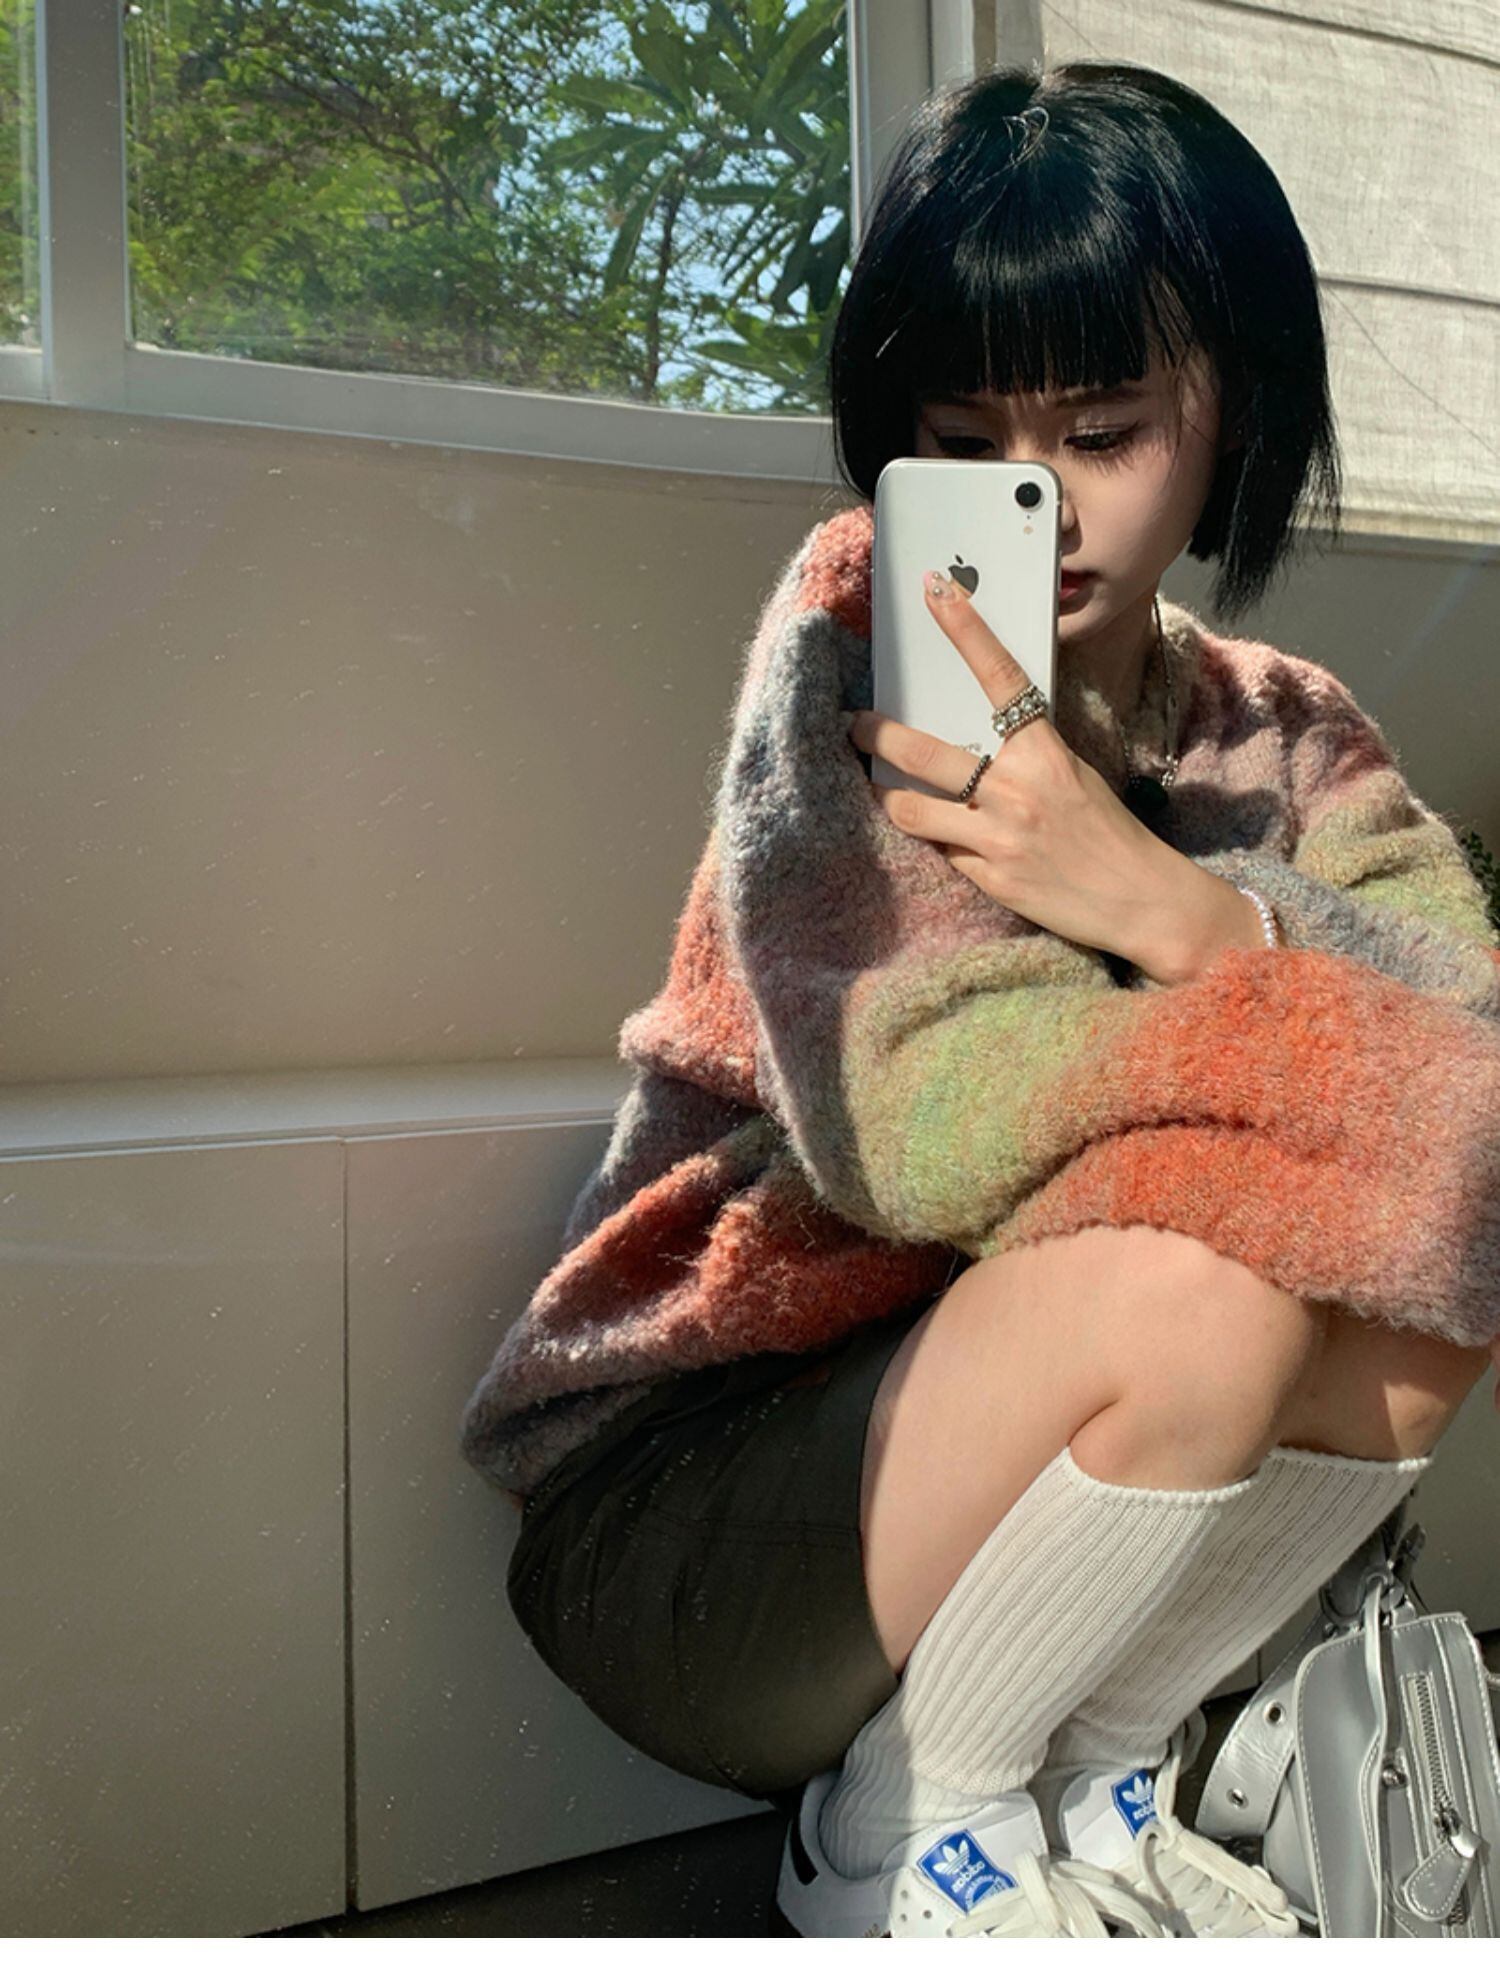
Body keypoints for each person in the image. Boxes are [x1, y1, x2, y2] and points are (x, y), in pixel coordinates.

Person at [472, 62, 1500, 1937]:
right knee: (1217, 1276)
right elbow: (928, 1134)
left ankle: (1092, 1779)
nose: (1041, 504)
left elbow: (1483, 1084)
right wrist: (1334, 1067)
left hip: (1009, 1490)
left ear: (1234, 412)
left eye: (1103, 430)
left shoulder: (1288, 730)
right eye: (969, 437)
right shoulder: (860, 652)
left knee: (1438, 1277)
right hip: (695, 1497)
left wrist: (1190, 914)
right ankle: (904, 1827)